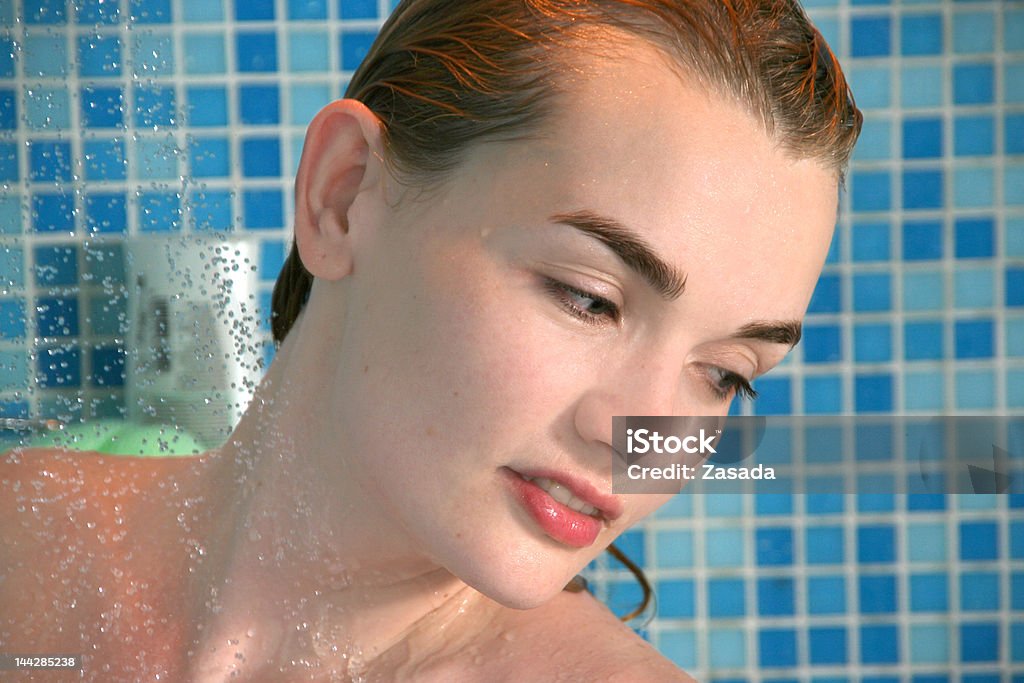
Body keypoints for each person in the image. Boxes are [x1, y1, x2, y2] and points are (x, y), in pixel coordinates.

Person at [1, 0, 861, 679]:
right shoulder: (21, 535)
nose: (640, 433)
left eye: (723, 374)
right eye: (588, 298)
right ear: (344, 195)